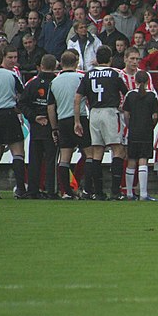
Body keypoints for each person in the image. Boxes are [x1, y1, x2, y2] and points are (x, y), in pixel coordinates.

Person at [74, 45, 129, 201]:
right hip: (110, 113)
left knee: (97, 152)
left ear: (97, 59)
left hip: (94, 113)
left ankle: (98, 192)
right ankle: (115, 192)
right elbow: (127, 94)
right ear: (110, 59)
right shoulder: (115, 74)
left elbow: (77, 98)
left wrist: (77, 120)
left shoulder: (88, 75)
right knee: (118, 150)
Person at [47, 50, 93, 200]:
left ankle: (66, 191)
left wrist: (55, 128)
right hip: (80, 119)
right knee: (89, 154)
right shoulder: (81, 77)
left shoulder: (54, 82)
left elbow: (50, 107)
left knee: (65, 157)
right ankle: (87, 190)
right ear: (76, 63)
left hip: (63, 121)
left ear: (60, 64)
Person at [19, 54, 58, 199]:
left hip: (36, 126)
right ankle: (50, 191)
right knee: (51, 159)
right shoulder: (56, 82)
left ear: (41, 66)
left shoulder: (32, 83)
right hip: (51, 125)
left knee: (34, 160)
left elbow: (22, 103)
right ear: (55, 66)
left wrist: (34, 117)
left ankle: (33, 190)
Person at [0, 46, 27, 199]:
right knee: (17, 151)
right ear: (2, 58)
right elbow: (23, 95)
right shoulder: (10, 75)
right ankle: (20, 189)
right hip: (8, 113)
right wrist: (18, 108)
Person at [123, 70, 158, 200]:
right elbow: (155, 116)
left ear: (135, 80)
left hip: (133, 131)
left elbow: (126, 114)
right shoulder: (152, 96)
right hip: (146, 131)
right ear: (148, 81)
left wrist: (130, 125)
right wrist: (151, 126)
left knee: (131, 160)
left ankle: (129, 193)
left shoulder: (130, 95)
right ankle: (143, 194)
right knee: (143, 159)